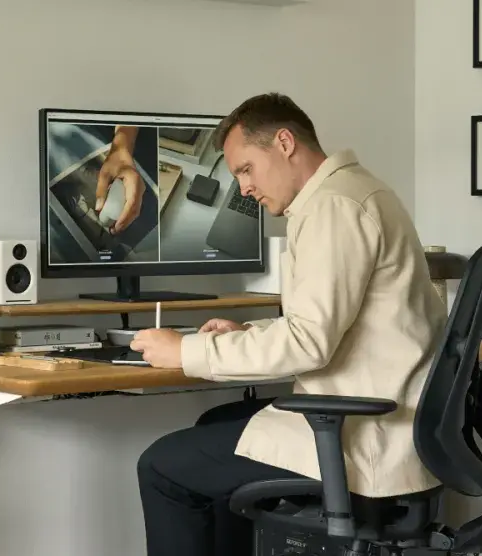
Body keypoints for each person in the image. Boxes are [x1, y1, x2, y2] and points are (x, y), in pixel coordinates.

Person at [130, 92, 448, 556]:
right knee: (212, 424)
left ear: (283, 142)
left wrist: (184, 352)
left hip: (363, 441)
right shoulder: (353, 192)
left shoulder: (334, 208)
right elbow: (332, 322)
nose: (243, 188)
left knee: (161, 468)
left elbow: (310, 342)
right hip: (381, 420)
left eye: (245, 169)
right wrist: (249, 334)